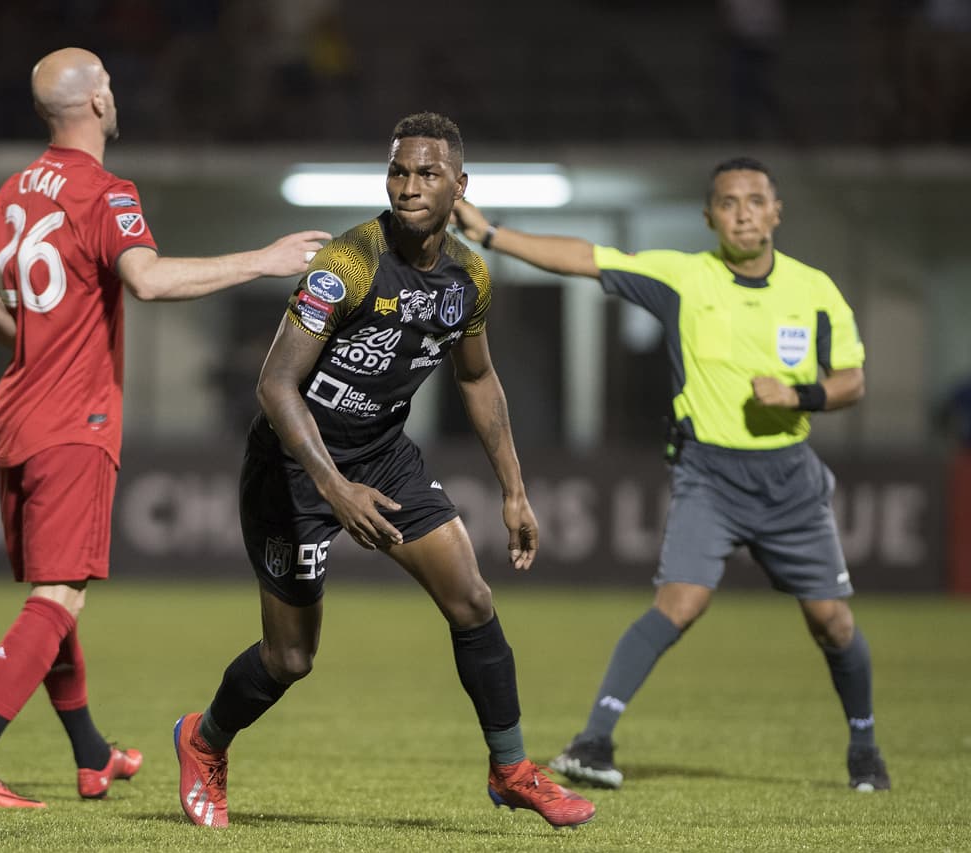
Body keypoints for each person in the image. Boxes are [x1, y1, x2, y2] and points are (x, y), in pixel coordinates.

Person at [172, 112, 596, 830]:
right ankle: (203, 739)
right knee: (291, 657)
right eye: (398, 171)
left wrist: (515, 490)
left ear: (460, 185)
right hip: (294, 468)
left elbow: (479, 378)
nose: (408, 187)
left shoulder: (467, 277)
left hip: (383, 456)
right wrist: (333, 489)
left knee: (472, 599)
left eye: (427, 173)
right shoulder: (346, 264)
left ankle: (512, 767)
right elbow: (275, 386)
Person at [0, 47, 329, 809]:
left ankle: (93, 755)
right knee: (59, 595)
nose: (117, 97)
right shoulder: (107, 193)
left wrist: (30, 340)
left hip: (17, 413)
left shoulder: (16, 189)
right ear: (93, 104)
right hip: (73, 421)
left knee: (61, 595)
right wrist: (265, 258)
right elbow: (147, 279)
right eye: (110, 87)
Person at [451, 157, 891, 793]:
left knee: (832, 622)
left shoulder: (816, 290)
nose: (743, 212)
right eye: (729, 202)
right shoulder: (682, 276)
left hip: (790, 480)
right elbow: (585, 258)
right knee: (679, 603)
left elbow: (852, 380)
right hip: (708, 473)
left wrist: (801, 397)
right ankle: (593, 741)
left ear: (776, 212)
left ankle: (864, 750)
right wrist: (491, 236)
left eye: (755, 200)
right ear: (709, 216)